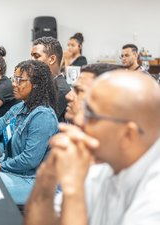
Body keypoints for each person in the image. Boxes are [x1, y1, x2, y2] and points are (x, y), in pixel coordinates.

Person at [24, 70, 160, 225]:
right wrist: (47, 178)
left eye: (92, 116)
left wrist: (73, 190)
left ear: (128, 135)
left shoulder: (154, 196)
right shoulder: (102, 165)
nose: (80, 121)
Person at [0, 60, 59, 205]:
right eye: (13, 78)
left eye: (19, 80)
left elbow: (29, 160)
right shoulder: (20, 107)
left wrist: (2, 166)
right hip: (17, 173)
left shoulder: (43, 116)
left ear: (36, 85)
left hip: (33, 181)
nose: (14, 84)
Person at [31, 36, 70, 122]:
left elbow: (40, 121)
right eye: (32, 56)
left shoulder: (61, 90)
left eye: (36, 56)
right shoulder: (45, 84)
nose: (31, 60)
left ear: (52, 59)